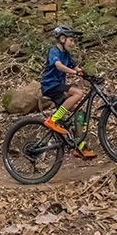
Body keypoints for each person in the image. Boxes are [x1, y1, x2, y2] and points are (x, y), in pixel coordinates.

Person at [40, 24, 96, 159]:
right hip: (50, 85)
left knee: (79, 112)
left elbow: (75, 67)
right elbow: (59, 66)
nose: (73, 43)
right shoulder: (54, 51)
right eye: (71, 40)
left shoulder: (66, 54)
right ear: (62, 39)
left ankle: (79, 146)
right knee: (78, 93)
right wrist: (75, 73)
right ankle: (54, 119)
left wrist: (87, 75)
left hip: (58, 86)